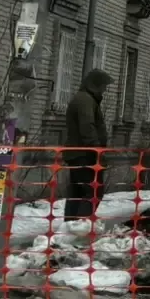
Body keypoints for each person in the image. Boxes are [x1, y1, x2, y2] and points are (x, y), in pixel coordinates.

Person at [61, 68, 111, 221]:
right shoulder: (86, 100)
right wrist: (97, 151)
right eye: (103, 86)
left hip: (79, 154)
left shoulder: (84, 98)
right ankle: (80, 227)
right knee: (93, 191)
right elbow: (87, 127)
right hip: (85, 155)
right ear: (95, 85)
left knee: (77, 192)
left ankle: (70, 227)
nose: (104, 89)